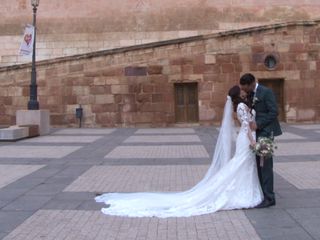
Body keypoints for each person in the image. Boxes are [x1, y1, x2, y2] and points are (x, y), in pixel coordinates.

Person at [95, 85, 263, 218]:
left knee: (242, 165)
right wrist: (253, 141)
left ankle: (242, 189)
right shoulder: (241, 106)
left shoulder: (241, 105)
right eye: (241, 91)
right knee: (240, 164)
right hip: (247, 138)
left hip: (246, 137)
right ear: (237, 94)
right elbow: (247, 125)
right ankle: (238, 191)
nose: (243, 93)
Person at [240, 73, 282, 208]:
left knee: (266, 166)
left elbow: (274, 111)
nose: (244, 90)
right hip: (256, 133)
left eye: (245, 87)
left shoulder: (266, 92)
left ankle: (270, 198)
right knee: (259, 164)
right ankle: (263, 194)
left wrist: (259, 124)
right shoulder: (251, 93)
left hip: (266, 132)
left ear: (252, 83)